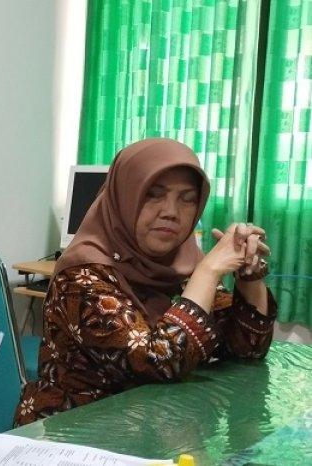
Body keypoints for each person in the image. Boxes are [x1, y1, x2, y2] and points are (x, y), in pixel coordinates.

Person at [14, 138, 276, 425]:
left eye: (187, 199)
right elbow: (160, 361)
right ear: (125, 198)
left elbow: (247, 348)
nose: (171, 212)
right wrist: (208, 271)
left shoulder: (181, 263)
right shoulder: (82, 274)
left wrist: (248, 273)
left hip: (155, 425)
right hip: (74, 431)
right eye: (153, 194)